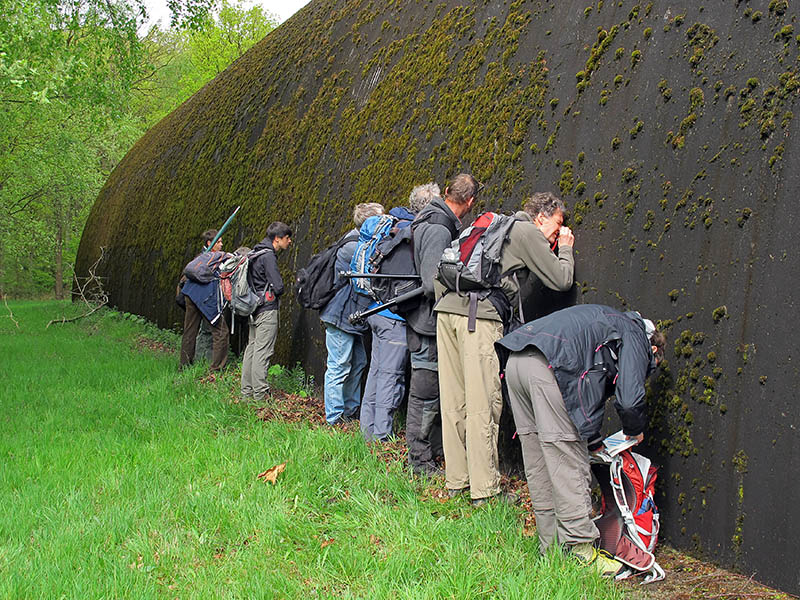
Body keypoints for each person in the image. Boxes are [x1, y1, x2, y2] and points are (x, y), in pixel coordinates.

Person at [495, 304, 666, 577]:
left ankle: (550, 549)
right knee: (567, 462)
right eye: (651, 367)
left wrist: (594, 440)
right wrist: (635, 429)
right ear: (653, 350)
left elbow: (585, 389)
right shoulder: (634, 332)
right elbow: (630, 400)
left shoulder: (605, 321)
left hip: (517, 361)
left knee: (539, 461)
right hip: (547, 367)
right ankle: (581, 553)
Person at [435, 191, 576, 505]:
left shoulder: (494, 226)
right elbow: (561, 279)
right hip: (477, 318)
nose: (556, 233)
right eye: (556, 224)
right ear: (541, 216)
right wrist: (565, 250)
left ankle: (457, 482)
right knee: (483, 401)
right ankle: (484, 491)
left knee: (453, 402)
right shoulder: (527, 231)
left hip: (447, 312)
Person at [404, 180, 463, 476]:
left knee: (432, 392)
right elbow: (431, 282)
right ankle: (419, 462)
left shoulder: (423, 222)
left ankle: (431, 454)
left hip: (423, 321)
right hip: (428, 324)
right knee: (425, 392)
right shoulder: (439, 227)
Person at [319, 202, 385, 425]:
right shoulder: (355, 247)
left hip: (351, 315)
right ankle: (334, 417)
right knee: (339, 365)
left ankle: (350, 409)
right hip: (341, 314)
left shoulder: (361, 242)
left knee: (358, 362)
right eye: (381, 219)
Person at [359, 203, 417, 442]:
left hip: (374, 311)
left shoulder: (382, 243)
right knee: (390, 377)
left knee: (376, 373)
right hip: (394, 318)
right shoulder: (405, 243)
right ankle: (382, 435)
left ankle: (367, 430)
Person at [240, 222, 292, 402]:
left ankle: (247, 393)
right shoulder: (269, 256)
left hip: (253, 308)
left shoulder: (255, 252)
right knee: (263, 352)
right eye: (287, 238)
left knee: (252, 349)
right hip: (267, 310)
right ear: (277, 239)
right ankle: (260, 395)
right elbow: (278, 286)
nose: (289, 241)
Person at [179, 229, 230, 372]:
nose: (221, 244)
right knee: (221, 331)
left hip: (190, 295)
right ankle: (217, 369)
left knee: (189, 331)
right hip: (204, 297)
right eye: (218, 241)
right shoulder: (215, 257)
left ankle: (184, 366)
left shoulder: (198, 258)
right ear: (210, 243)